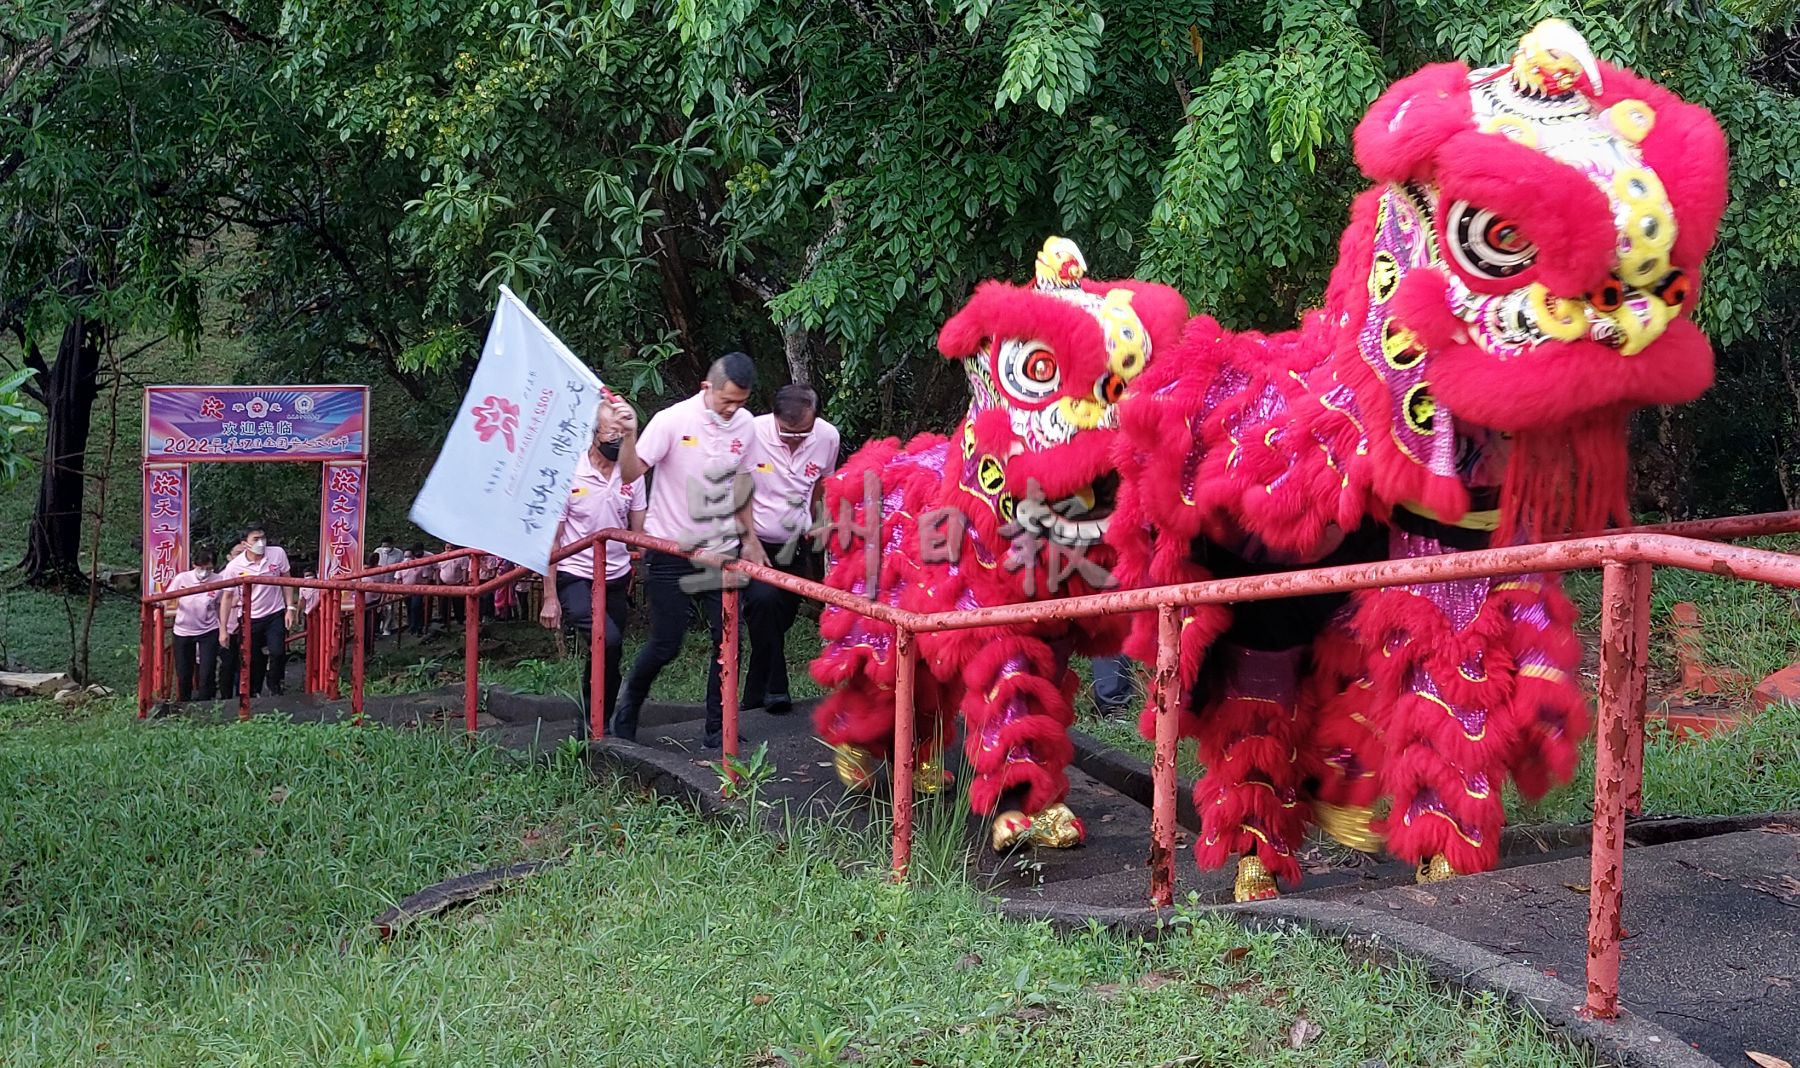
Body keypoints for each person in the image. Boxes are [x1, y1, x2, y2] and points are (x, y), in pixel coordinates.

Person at [611, 353, 768, 748]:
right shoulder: (672, 420)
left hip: (721, 551)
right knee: (667, 642)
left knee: (728, 642)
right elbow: (630, 473)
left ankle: (718, 728)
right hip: (671, 548)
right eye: (726, 401)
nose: (732, 409)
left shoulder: (746, 425)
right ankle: (626, 711)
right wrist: (629, 436)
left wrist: (750, 538)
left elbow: (743, 482)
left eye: (740, 402)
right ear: (706, 387)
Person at [539, 398, 647, 741]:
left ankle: (596, 720)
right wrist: (549, 597)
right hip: (576, 574)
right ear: (595, 433)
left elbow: (640, 533)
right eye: (612, 434)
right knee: (606, 639)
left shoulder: (632, 474)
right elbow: (553, 540)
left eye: (623, 434)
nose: (617, 440)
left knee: (611, 651)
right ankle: (593, 722)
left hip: (616, 575)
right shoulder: (570, 472)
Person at [742, 384, 840, 715]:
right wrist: (748, 540)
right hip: (753, 540)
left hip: (795, 543)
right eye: (787, 433)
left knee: (778, 618)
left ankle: (752, 698)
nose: (795, 440)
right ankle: (776, 689)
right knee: (763, 601)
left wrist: (820, 520)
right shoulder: (751, 432)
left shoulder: (827, 437)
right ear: (775, 417)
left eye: (803, 434)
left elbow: (822, 485)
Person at [217, 525, 299, 697]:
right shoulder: (234, 566)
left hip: (274, 612)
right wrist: (223, 629)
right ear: (244, 544)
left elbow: (287, 579)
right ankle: (254, 692)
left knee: (278, 651)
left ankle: (275, 684)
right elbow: (227, 597)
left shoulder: (277, 553)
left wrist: (290, 607)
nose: (261, 542)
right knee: (252, 657)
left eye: (263, 538)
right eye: (255, 539)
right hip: (250, 617)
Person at [165, 548, 222, 702]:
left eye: (209, 569)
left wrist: (224, 629)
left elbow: (222, 605)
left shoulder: (219, 580)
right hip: (183, 630)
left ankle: (206, 702)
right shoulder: (182, 578)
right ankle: (184, 702)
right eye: (201, 568)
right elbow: (167, 599)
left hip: (209, 629)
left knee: (207, 671)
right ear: (194, 565)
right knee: (184, 672)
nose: (204, 572)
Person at [375, 537, 406, 634]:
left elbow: (401, 568)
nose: (385, 548)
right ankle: (378, 626)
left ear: (392, 545)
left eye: (387, 546)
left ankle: (387, 627)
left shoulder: (399, 553)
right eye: (383, 546)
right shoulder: (378, 551)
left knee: (390, 607)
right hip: (378, 582)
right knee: (379, 606)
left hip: (391, 582)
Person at [401, 543, 431, 636]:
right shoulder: (401, 565)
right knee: (409, 608)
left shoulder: (421, 565)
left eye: (409, 556)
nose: (407, 558)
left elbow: (426, 578)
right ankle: (411, 626)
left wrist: (424, 589)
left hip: (418, 590)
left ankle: (419, 627)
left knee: (416, 607)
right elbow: (397, 578)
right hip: (406, 590)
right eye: (405, 556)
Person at [436, 545, 469, 626]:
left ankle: (460, 620)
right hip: (444, 583)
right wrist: (438, 581)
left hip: (458, 583)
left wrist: (464, 582)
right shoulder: (441, 556)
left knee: (458, 603)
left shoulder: (462, 557)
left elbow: (464, 570)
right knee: (444, 604)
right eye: (447, 548)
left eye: (451, 548)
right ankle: (445, 621)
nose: (449, 549)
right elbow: (437, 570)